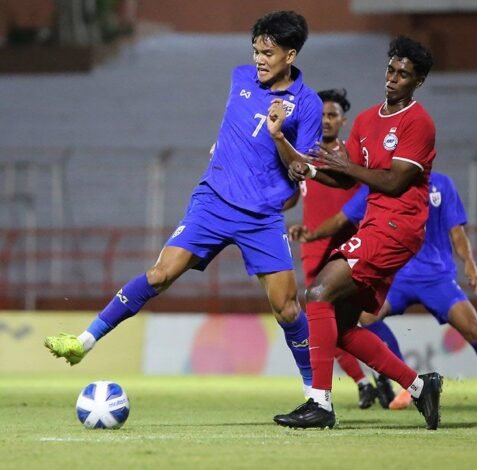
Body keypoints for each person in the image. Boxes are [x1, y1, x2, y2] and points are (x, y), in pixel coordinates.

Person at [44, 11, 317, 394]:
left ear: (290, 55)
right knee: (160, 274)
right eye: (256, 50)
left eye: (268, 53)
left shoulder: (307, 105)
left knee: (288, 309)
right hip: (214, 201)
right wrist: (222, 148)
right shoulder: (240, 77)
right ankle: (83, 342)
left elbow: (302, 169)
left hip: (260, 214)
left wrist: (278, 137)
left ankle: (316, 396)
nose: (258, 59)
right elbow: (234, 125)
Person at [274, 36, 442, 430]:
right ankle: (419, 386)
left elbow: (395, 182)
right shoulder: (367, 120)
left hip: (399, 226)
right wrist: (311, 170)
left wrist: (346, 167)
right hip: (376, 224)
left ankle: (319, 403)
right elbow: (345, 175)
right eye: (391, 70)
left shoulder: (419, 122)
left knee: (316, 294)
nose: (394, 78)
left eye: (404, 74)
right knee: (342, 327)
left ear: (418, 82)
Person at [296, 172, 477, 414]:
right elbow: (341, 219)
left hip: (437, 276)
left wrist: (470, 264)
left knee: (473, 328)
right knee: (366, 318)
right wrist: (311, 235)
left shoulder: (442, 184)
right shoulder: (379, 182)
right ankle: (408, 383)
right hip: (397, 275)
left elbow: (457, 232)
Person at [292, 87, 400, 409]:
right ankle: (363, 381)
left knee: (364, 318)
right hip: (314, 247)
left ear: (343, 120)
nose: (325, 121)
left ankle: (385, 376)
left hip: (352, 243)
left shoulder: (353, 157)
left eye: (332, 115)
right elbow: (293, 196)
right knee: (322, 318)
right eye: (322, 115)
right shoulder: (305, 155)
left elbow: (358, 201)